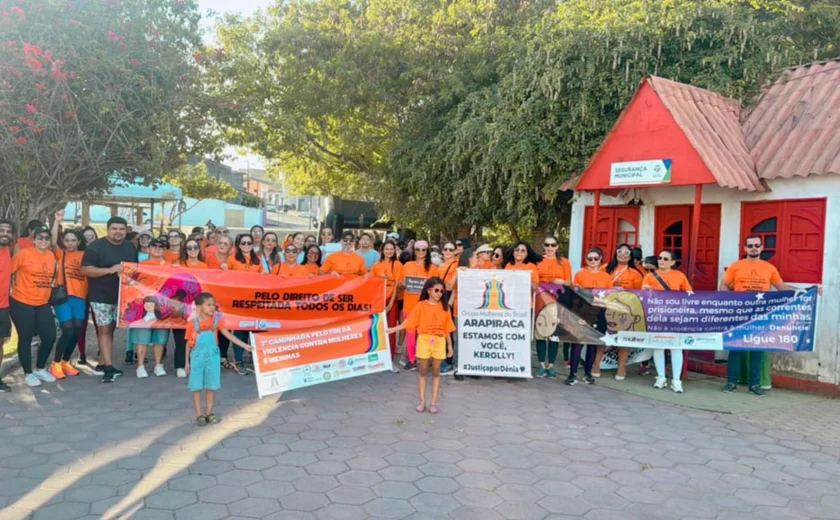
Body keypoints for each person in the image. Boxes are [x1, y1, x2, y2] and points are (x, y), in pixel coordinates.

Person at [719, 236, 799, 396]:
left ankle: (754, 385)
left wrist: (805, 291)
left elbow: (781, 287)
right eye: (750, 246)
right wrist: (730, 300)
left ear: (762, 248)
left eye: (757, 245)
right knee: (735, 347)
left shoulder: (769, 268)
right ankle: (731, 382)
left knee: (757, 348)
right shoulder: (736, 266)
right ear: (745, 248)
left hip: (761, 313)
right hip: (740, 312)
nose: (753, 248)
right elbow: (724, 285)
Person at [80, 216, 138, 382]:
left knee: (111, 329)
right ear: (107, 229)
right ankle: (108, 367)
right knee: (104, 329)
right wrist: (110, 270)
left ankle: (102, 362)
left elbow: (134, 269)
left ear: (125, 230)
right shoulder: (96, 247)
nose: (118, 232)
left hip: (121, 296)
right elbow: (84, 270)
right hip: (100, 296)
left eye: (121, 229)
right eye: (114, 228)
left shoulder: (129, 247)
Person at [387, 277, 454, 415]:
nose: (439, 293)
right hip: (424, 340)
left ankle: (434, 402)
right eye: (436, 290)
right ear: (429, 291)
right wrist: (395, 328)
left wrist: (450, 346)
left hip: (439, 341)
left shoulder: (445, 308)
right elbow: (409, 322)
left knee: (436, 372)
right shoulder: (421, 305)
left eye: (441, 291)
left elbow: (447, 329)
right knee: (423, 371)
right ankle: (422, 401)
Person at [186, 292, 253, 426]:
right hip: (197, 357)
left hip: (213, 357)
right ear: (199, 307)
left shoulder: (217, 322)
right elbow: (188, 343)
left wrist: (245, 345)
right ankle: (199, 414)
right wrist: (186, 362)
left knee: (211, 386)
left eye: (213, 305)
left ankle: (209, 412)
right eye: (208, 305)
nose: (212, 308)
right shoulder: (192, 323)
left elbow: (229, 336)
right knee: (196, 386)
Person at [10, 226, 58, 387]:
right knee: (26, 337)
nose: (43, 241)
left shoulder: (52, 256)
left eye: (46, 238)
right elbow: (8, 271)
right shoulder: (23, 254)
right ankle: (28, 373)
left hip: (42, 303)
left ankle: (39, 368)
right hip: (21, 301)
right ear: (34, 239)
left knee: (50, 336)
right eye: (40, 237)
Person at [642, 249, 692, 393]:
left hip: (675, 315)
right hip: (657, 315)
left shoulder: (680, 276)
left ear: (672, 262)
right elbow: (643, 297)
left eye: (665, 259)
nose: (661, 261)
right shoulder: (650, 277)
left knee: (676, 346)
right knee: (659, 345)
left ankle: (676, 380)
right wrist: (647, 290)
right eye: (660, 258)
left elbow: (689, 294)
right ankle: (661, 377)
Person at [593, 243, 645, 379]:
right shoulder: (605, 268)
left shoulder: (635, 274)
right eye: (620, 251)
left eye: (626, 252)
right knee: (602, 336)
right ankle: (596, 364)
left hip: (625, 311)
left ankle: (622, 367)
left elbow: (638, 296)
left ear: (630, 257)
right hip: (605, 308)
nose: (622, 254)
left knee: (624, 338)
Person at [566, 248, 613, 386]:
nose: (592, 261)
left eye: (595, 258)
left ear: (600, 260)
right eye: (590, 259)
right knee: (577, 343)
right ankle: (572, 374)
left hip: (598, 313)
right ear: (586, 260)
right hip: (582, 312)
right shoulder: (580, 274)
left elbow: (609, 296)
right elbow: (575, 294)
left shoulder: (606, 277)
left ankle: (588, 373)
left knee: (592, 344)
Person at [49, 212, 87, 380]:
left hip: (80, 297)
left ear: (79, 242)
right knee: (67, 330)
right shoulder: (60, 254)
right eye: (67, 240)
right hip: (63, 297)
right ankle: (55, 363)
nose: (70, 243)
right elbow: (52, 240)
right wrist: (57, 222)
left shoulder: (85, 255)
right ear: (63, 242)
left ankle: (65, 361)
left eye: (73, 240)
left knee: (77, 331)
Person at [398, 240, 439, 370]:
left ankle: (426, 359)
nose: (420, 252)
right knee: (410, 334)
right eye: (418, 249)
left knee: (425, 335)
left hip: (425, 306)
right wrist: (403, 284)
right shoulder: (407, 266)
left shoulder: (433, 268)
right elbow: (399, 283)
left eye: (423, 250)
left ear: (427, 252)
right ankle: (411, 360)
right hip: (409, 305)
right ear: (414, 251)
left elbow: (437, 287)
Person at [536, 236, 573, 377]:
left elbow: (570, 282)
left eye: (553, 245)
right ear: (544, 246)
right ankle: (541, 365)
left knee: (554, 334)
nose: (550, 247)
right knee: (540, 332)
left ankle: (551, 366)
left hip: (558, 301)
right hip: (541, 300)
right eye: (547, 245)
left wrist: (562, 281)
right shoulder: (537, 260)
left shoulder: (564, 262)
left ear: (557, 246)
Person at [372, 240, 404, 373]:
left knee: (390, 329)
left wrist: (391, 303)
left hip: (392, 299)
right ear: (382, 250)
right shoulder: (377, 265)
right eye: (387, 249)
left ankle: (389, 359)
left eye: (392, 249)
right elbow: (371, 284)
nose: (389, 251)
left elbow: (397, 284)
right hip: (378, 299)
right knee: (377, 328)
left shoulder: (397, 264)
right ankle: (376, 358)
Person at [77, 225, 100, 365]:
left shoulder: (101, 251)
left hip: (98, 292)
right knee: (81, 324)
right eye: (86, 238)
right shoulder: (78, 254)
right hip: (80, 292)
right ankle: (81, 352)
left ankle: (102, 348)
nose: (89, 240)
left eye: (92, 237)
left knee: (100, 323)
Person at [0, 219, 13, 391]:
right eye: (1, 230)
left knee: (0, 343)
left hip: (3, 306)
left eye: (8, 231)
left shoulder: (9, 250)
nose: (4, 233)